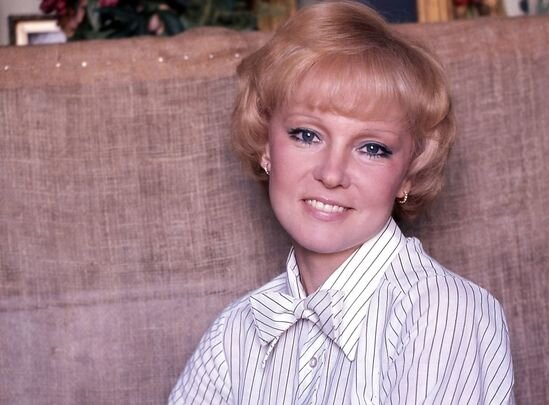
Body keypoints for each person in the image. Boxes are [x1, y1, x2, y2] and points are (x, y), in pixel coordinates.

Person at [169, 1, 514, 404]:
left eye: (372, 148)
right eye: (307, 135)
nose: (331, 174)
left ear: (409, 172)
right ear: (265, 145)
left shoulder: (442, 313)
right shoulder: (235, 333)